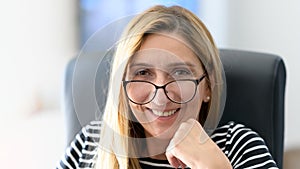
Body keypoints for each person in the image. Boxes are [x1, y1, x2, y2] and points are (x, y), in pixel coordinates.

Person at [57, 5, 278, 169]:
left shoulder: (237, 146)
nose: (160, 96)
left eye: (180, 73)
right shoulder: (90, 144)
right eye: (143, 73)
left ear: (208, 86)